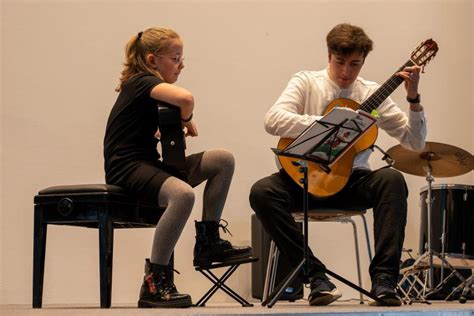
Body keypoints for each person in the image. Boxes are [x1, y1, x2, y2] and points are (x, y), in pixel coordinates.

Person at [249, 23, 426, 306]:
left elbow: (414, 142)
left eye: (354, 64)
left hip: (351, 181)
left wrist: (413, 98)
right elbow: (273, 119)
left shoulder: (372, 94)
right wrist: (328, 124)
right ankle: (316, 276)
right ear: (329, 55)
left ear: (363, 61)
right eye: (340, 62)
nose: (346, 72)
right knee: (262, 191)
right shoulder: (307, 81)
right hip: (304, 180)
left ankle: (384, 281)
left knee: (392, 180)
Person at [103, 27, 252, 308]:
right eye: (176, 58)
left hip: (148, 163)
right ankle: (154, 282)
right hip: (126, 166)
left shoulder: (153, 91)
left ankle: (208, 241)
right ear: (152, 60)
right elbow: (186, 99)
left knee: (223, 159)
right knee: (183, 194)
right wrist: (187, 117)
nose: (181, 65)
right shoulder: (140, 82)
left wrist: (175, 126)